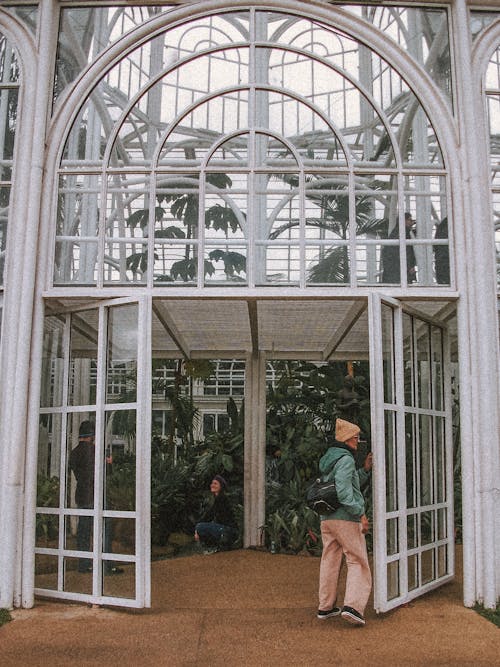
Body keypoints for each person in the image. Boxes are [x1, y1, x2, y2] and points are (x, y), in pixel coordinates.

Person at [317, 418, 372, 626]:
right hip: (345, 518)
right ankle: (353, 607)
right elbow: (343, 491)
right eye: (356, 438)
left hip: (327, 518)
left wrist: (364, 470)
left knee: (330, 561)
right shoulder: (346, 459)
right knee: (357, 560)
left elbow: (345, 482)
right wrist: (360, 513)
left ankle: (326, 606)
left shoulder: (330, 458)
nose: (358, 441)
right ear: (348, 439)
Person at [69, 420, 123, 574]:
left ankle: (84, 564)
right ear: (91, 435)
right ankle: (106, 565)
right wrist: (109, 463)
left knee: (84, 530)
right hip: (96, 494)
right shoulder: (95, 451)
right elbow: (105, 473)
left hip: (82, 494)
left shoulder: (74, 453)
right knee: (104, 529)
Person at [194, 475, 237, 553]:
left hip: (227, 531)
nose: (212, 485)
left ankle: (220, 544)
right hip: (225, 529)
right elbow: (208, 516)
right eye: (212, 483)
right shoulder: (218, 499)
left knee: (200, 527)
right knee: (201, 526)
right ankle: (215, 546)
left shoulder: (222, 499)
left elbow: (211, 516)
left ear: (221, 486)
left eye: (215, 483)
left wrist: (197, 528)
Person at [381, 212, 417, 284]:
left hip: (393, 270)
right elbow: (406, 251)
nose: (411, 222)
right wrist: (410, 266)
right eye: (410, 220)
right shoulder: (404, 233)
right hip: (399, 270)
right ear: (404, 221)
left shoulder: (395, 232)